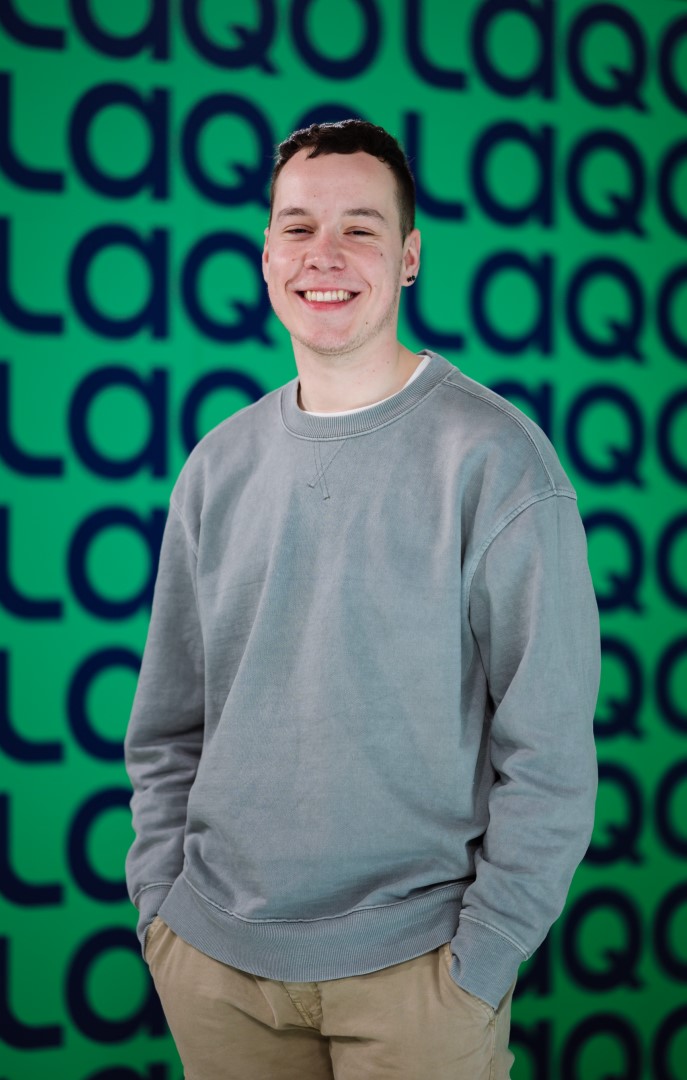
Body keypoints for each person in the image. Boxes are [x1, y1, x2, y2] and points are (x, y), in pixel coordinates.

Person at [125, 119, 600, 1079]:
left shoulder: (498, 461)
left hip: (419, 975)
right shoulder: (216, 466)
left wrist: (485, 955)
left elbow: (548, 748)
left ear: (410, 257)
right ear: (266, 256)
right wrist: (160, 907)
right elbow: (169, 724)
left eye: (360, 229)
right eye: (298, 228)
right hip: (215, 965)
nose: (325, 255)